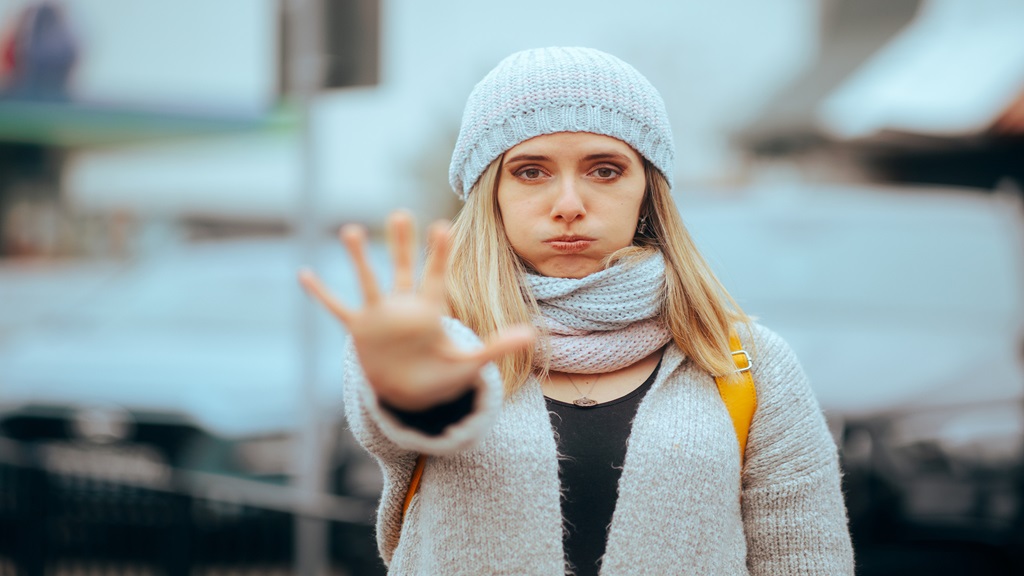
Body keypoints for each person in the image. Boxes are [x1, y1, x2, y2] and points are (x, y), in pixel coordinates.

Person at [300, 46, 854, 575]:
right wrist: (414, 389)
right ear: (490, 194)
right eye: (531, 171)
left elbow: (807, 560)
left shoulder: (750, 364)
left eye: (605, 170)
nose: (568, 205)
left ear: (648, 193)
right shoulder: (436, 341)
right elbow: (404, 419)